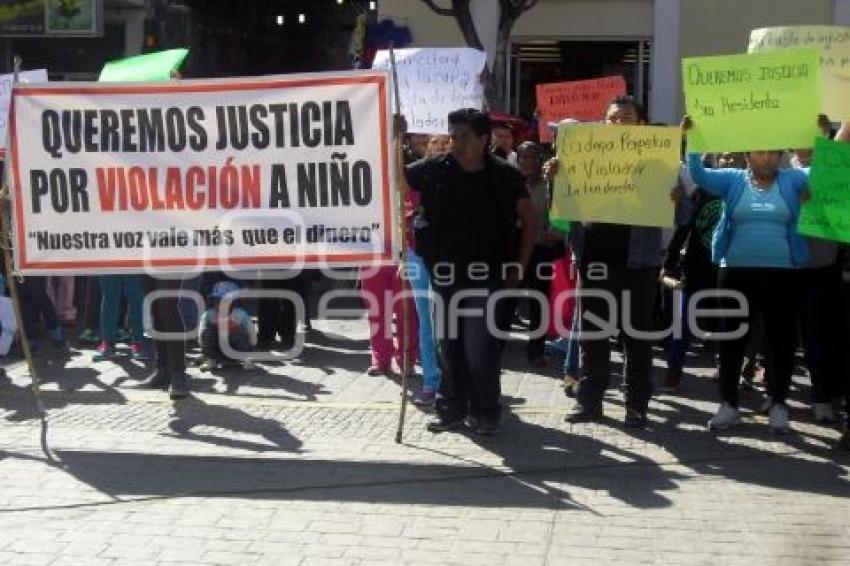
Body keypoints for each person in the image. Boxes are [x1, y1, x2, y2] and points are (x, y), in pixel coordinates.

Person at [683, 115, 824, 434]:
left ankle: (778, 405)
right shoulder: (733, 179)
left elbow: (824, 171)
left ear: (780, 156)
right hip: (735, 272)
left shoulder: (792, 180)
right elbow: (698, 174)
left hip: (783, 274)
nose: (767, 158)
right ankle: (729, 405)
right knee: (732, 340)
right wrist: (692, 138)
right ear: (748, 155)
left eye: (773, 153)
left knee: (781, 342)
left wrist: (821, 135)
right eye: (760, 152)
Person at [405, 108, 537, 435]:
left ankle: (486, 412)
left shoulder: (505, 175)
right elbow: (396, 176)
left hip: (487, 276)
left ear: (484, 139)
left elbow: (530, 220)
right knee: (447, 347)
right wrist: (396, 135)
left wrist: (518, 270)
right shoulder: (435, 168)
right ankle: (451, 410)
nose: (457, 143)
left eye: (465, 137)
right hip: (444, 276)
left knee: (480, 349)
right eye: (453, 136)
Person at [557, 96, 670, 429]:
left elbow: (683, 214)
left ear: (641, 124)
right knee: (592, 337)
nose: (619, 124)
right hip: (594, 261)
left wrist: (677, 201)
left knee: (637, 339)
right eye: (613, 118)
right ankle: (589, 402)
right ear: (603, 124)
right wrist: (557, 177)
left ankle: (636, 406)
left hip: (639, 264)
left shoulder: (658, 163)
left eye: (627, 118)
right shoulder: (585, 157)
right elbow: (565, 210)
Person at [659, 154, 734, 391]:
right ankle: (674, 370)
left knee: (728, 323)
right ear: (716, 160)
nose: (729, 160)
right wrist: (669, 261)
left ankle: (726, 367)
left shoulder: (745, 190)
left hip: (728, 269)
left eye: (734, 156)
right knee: (684, 322)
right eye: (724, 156)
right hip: (697, 268)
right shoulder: (701, 190)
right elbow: (684, 227)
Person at [515, 141, 564, 365]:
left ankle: (536, 350)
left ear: (540, 160)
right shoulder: (512, 184)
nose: (526, 162)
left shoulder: (550, 186)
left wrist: (554, 232)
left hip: (541, 252)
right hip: (515, 251)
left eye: (531, 157)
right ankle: (498, 347)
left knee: (539, 301)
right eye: (522, 158)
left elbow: (560, 215)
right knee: (507, 298)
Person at [198, 281, 257, 371]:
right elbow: (201, 334)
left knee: (236, 331)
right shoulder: (208, 315)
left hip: (238, 349)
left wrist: (252, 345)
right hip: (217, 350)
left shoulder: (240, 314)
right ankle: (211, 359)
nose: (220, 304)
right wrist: (204, 347)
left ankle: (247, 359)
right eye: (217, 301)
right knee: (208, 331)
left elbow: (251, 332)